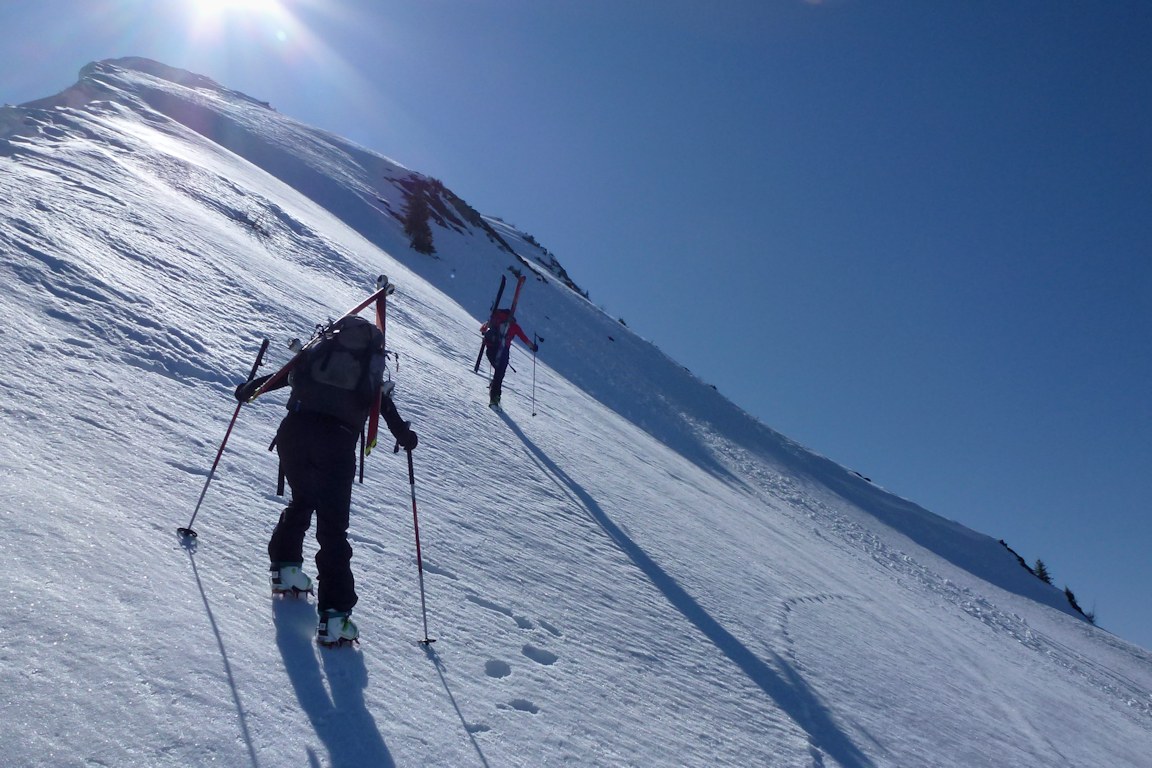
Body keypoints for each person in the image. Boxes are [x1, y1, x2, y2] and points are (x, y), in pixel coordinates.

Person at [235, 319, 418, 647]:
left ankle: (286, 567)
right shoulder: (368, 371)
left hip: (294, 434)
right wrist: (407, 438)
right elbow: (386, 411)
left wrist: (250, 390)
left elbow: (284, 376)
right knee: (333, 530)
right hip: (336, 444)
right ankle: (334, 618)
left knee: (302, 499)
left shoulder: (317, 353)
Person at [480, 308, 538, 408]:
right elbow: (524, 338)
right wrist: (533, 347)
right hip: (503, 351)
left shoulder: (495, 319)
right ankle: (494, 398)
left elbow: (483, 329)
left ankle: (494, 392)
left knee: (498, 373)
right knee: (499, 374)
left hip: (490, 349)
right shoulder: (514, 326)